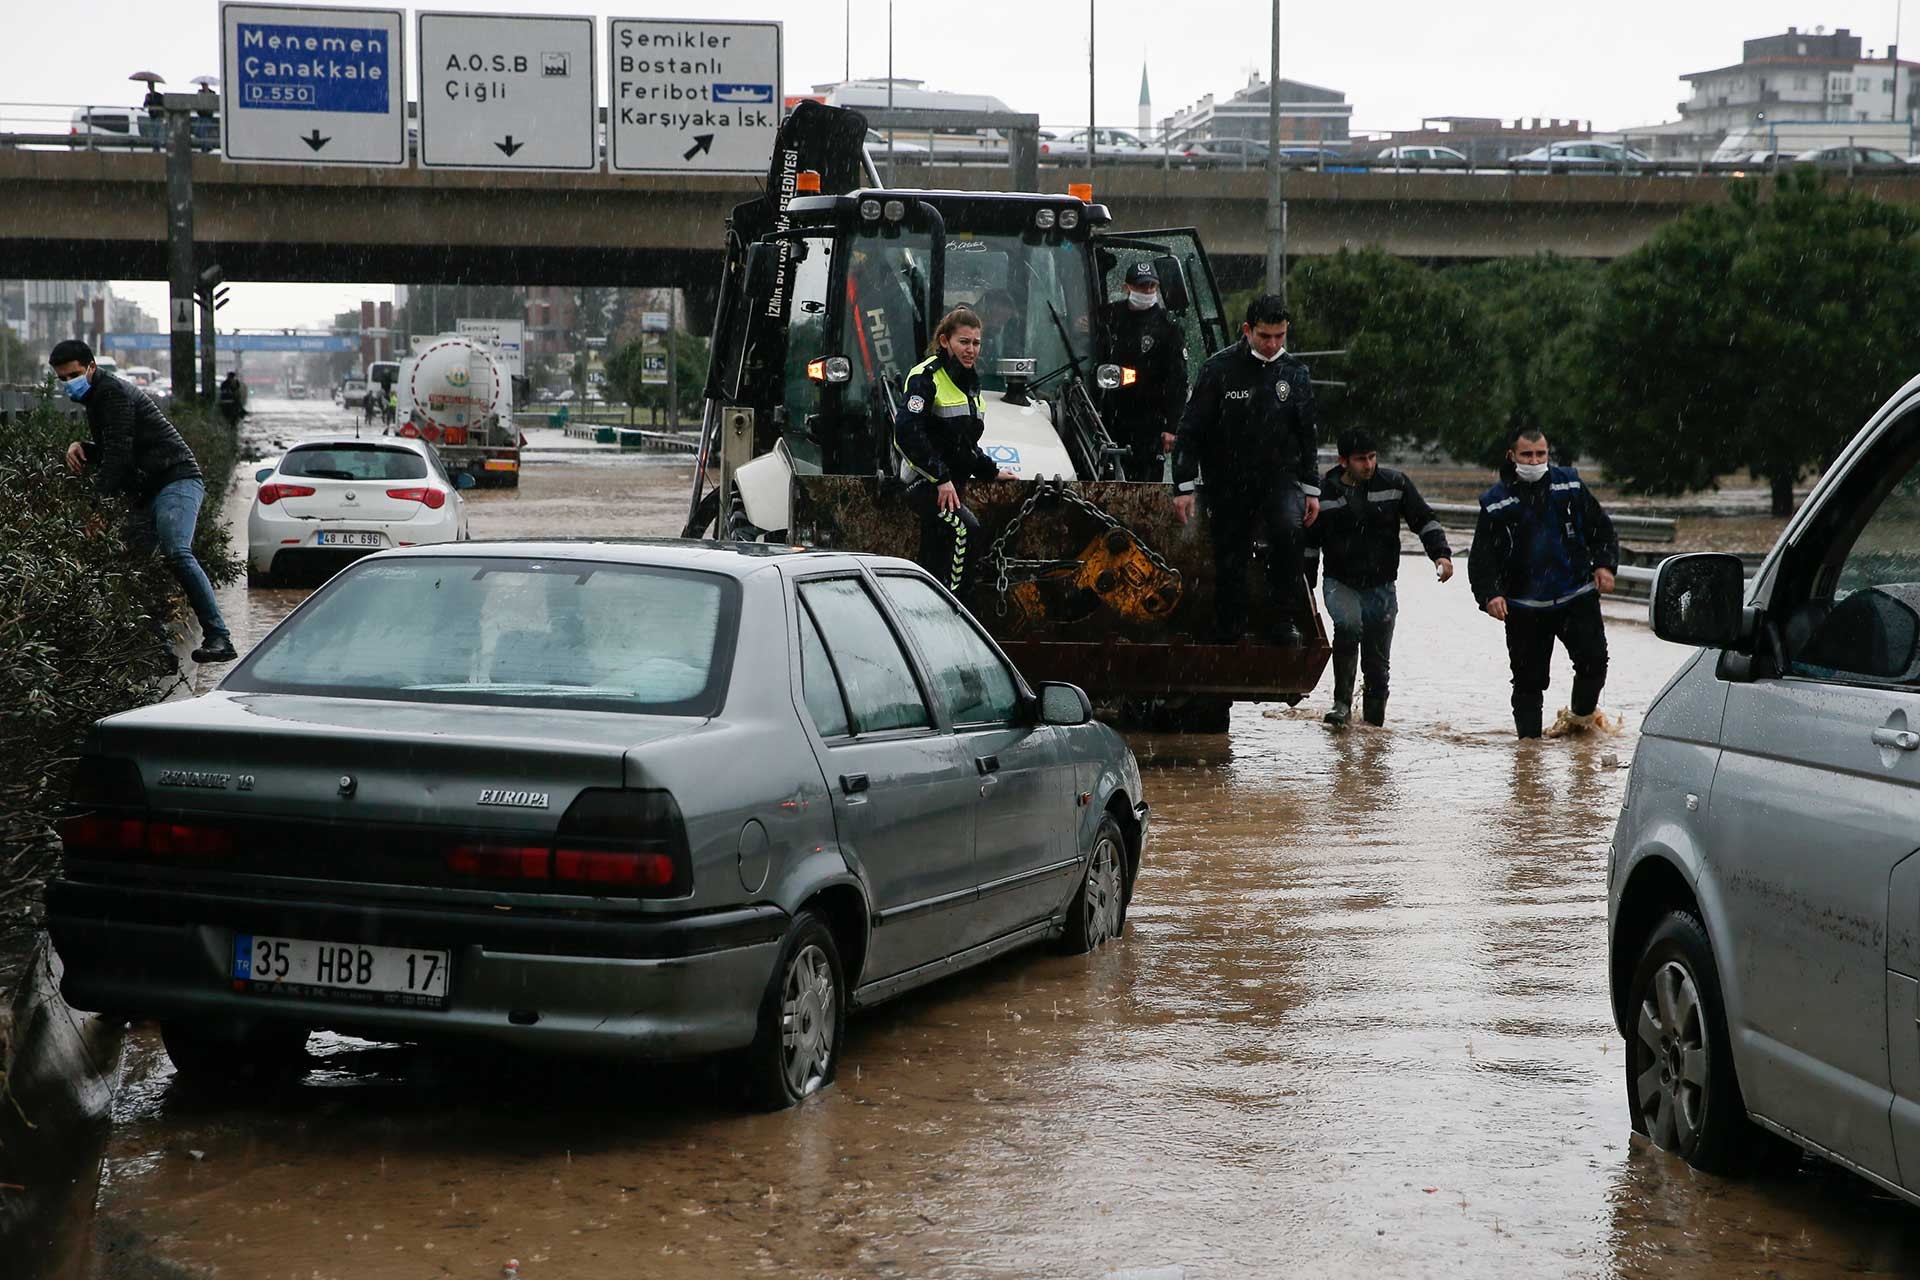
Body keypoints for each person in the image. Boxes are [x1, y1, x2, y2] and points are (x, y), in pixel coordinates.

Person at [50, 339, 236, 664]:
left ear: (92, 367)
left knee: (176, 550)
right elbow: (118, 448)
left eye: (74, 375)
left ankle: (219, 637)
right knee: (136, 567)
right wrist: (81, 445)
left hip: (176, 479)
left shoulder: (111, 393)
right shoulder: (96, 398)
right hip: (147, 490)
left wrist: (97, 508)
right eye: (62, 379)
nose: (69, 384)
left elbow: (119, 452)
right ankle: (159, 650)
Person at [1170, 294, 1320, 645]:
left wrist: (1312, 489)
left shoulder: (1295, 374)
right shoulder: (1219, 369)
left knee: (1288, 534)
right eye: (1265, 336)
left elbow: (1307, 435)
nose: (1272, 344)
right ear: (1248, 330)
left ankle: (1282, 621)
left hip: (1280, 479)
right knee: (1230, 551)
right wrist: (1183, 485)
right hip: (1228, 479)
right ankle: (1230, 625)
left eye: (1280, 337)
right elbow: (1190, 431)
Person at [1468, 427, 1619, 739]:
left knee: (1594, 662)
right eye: (1527, 454)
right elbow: (1482, 559)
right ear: (1512, 457)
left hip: (1576, 596)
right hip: (1524, 607)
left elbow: (1602, 530)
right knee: (1528, 682)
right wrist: (1490, 595)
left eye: (1540, 454)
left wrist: (1605, 565)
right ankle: (1528, 752)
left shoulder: (1571, 485)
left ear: (1548, 454)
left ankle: (1580, 722)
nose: (1534, 460)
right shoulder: (1495, 503)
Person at [1307, 428, 1454, 727]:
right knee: (1348, 626)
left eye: (1373, 457)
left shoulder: (1395, 484)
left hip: (1382, 586)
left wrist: (1441, 554)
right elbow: (1309, 543)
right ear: (1344, 461)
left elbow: (1423, 519)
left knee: (1377, 663)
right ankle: (1341, 705)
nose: (1369, 465)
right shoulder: (1323, 493)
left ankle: (1375, 727)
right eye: (1362, 459)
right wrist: (1305, 585)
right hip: (1340, 582)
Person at [893, 307, 1017, 594]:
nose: (971, 349)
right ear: (945, 341)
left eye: (976, 343)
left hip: (951, 486)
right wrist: (940, 478)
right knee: (966, 531)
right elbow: (906, 433)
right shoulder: (926, 376)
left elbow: (963, 445)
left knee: (939, 553)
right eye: (964, 342)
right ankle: (957, 608)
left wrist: (991, 470)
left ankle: (935, 603)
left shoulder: (971, 383)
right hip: (924, 484)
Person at [1098, 262, 1188, 481]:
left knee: (1144, 480)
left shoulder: (1168, 326)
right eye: (1141, 287)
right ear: (1127, 287)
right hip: (1111, 413)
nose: (1147, 291)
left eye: (1151, 286)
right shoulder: (1110, 315)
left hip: (1149, 418)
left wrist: (1172, 426)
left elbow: (1177, 380)